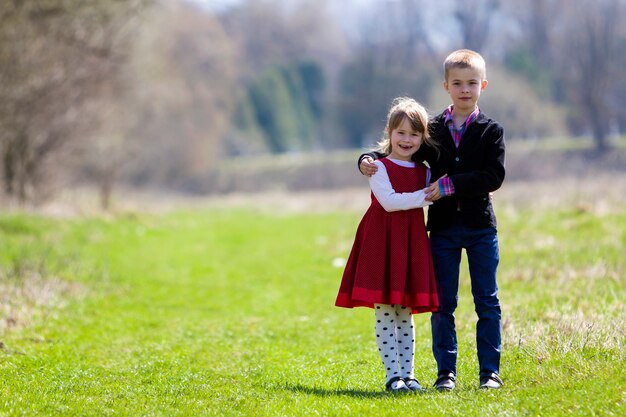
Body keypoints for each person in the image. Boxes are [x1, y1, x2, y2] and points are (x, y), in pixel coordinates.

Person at [358, 49, 506, 390]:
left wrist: (451, 185)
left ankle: (490, 373)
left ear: (483, 85)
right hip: (441, 229)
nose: (464, 89)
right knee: (444, 304)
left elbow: (493, 176)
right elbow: (399, 148)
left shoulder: (491, 131)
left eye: (471, 83)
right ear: (446, 86)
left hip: (481, 227)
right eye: (457, 83)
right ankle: (446, 374)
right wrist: (365, 158)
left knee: (487, 300)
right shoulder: (434, 129)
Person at [336, 97, 440, 393]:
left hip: (411, 244)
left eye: (414, 134)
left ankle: (408, 375)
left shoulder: (425, 171)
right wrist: (427, 196)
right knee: (385, 311)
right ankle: (392, 375)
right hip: (381, 241)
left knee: (405, 312)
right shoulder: (378, 168)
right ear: (389, 132)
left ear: (423, 137)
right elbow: (390, 202)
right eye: (401, 133)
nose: (407, 140)